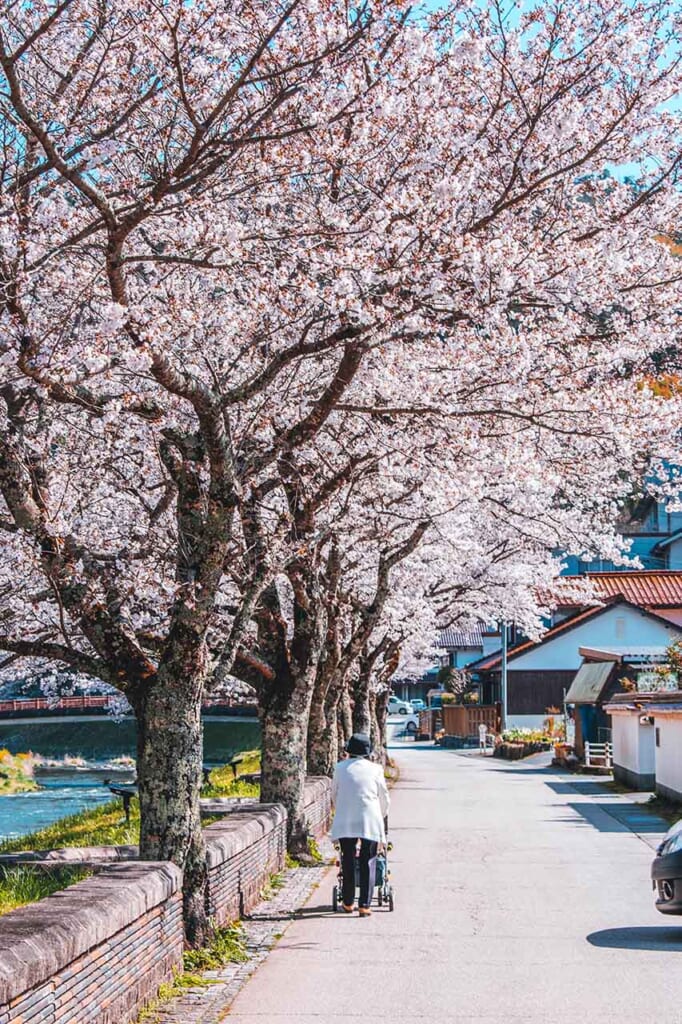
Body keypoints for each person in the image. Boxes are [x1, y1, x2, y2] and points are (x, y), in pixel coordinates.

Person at [330, 733, 390, 917]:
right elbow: (384, 797)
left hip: (346, 818)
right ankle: (364, 905)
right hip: (369, 818)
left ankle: (348, 902)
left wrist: (339, 809)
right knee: (368, 860)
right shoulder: (376, 769)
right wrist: (381, 815)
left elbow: (334, 794)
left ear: (349, 750)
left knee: (347, 858)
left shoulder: (340, 768)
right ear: (368, 751)